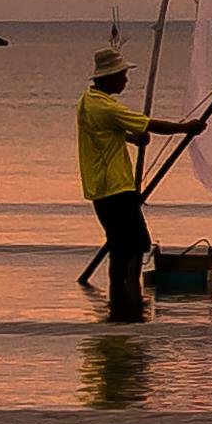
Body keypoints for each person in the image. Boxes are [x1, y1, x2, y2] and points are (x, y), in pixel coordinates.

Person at [73, 46, 186, 316]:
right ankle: (128, 297)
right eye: (122, 75)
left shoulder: (86, 102)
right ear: (108, 77)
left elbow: (106, 132)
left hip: (101, 187)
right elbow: (151, 125)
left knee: (121, 245)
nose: (125, 80)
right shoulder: (108, 108)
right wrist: (186, 128)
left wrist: (131, 138)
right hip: (115, 187)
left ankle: (121, 298)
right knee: (132, 245)